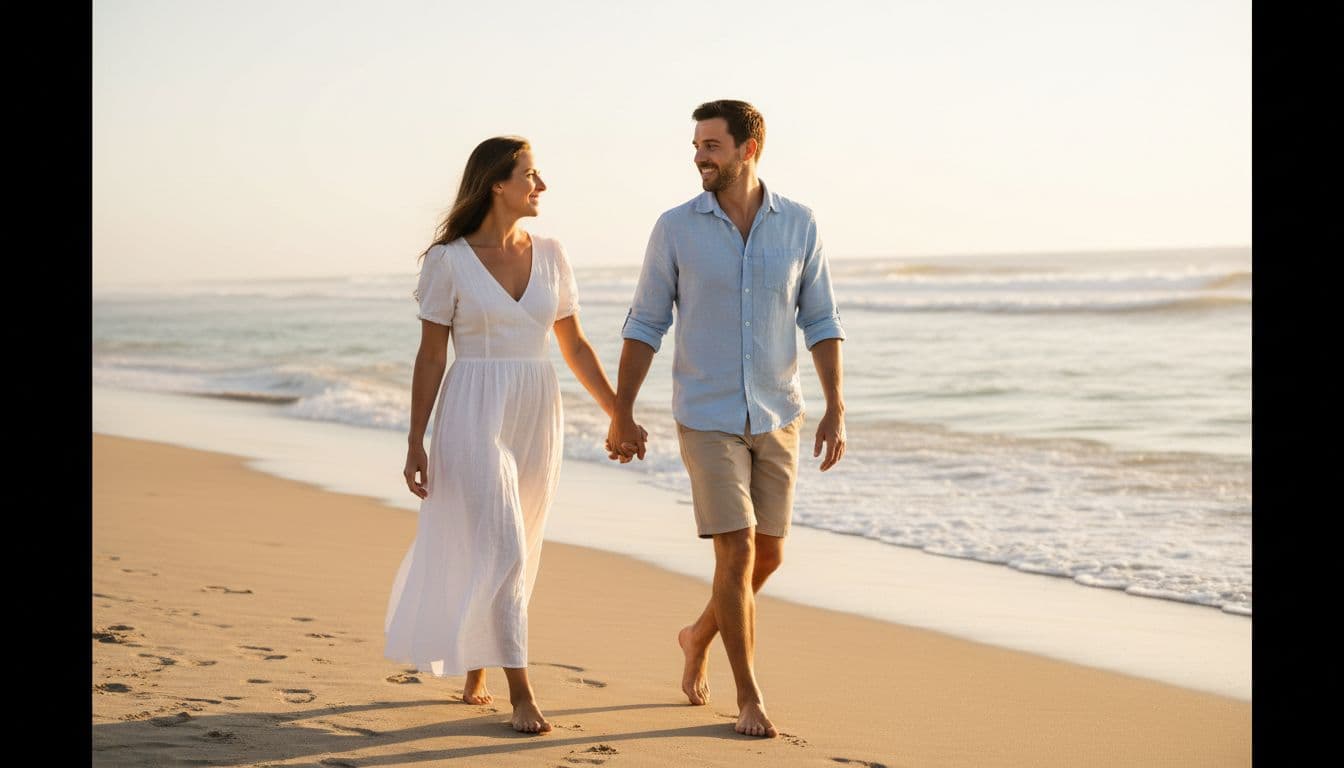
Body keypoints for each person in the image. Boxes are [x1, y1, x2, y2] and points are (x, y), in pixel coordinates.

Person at [605, 100, 847, 738]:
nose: (699, 156)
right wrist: (622, 411)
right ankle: (749, 696)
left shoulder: (800, 224)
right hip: (707, 416)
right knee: (736, 550)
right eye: (696, 145)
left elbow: (820, 320)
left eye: (711, 145)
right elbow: (645, 323)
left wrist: (835, 407)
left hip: (778, 412)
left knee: (767, 557)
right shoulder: (675, 228)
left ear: (749, 147)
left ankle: (696, 635)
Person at [386, 136, 638, 735]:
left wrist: (618, 412)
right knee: (504, 544)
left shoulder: (551, 252)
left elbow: (572, 345)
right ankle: (521, 690)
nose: (541, 184)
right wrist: (414, 440)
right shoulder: (448, 260)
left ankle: (478, 656)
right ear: (498, 184)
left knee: (518, 540)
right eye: (531, 174)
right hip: (472, 410)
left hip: (535, 412)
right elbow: (429, 358)